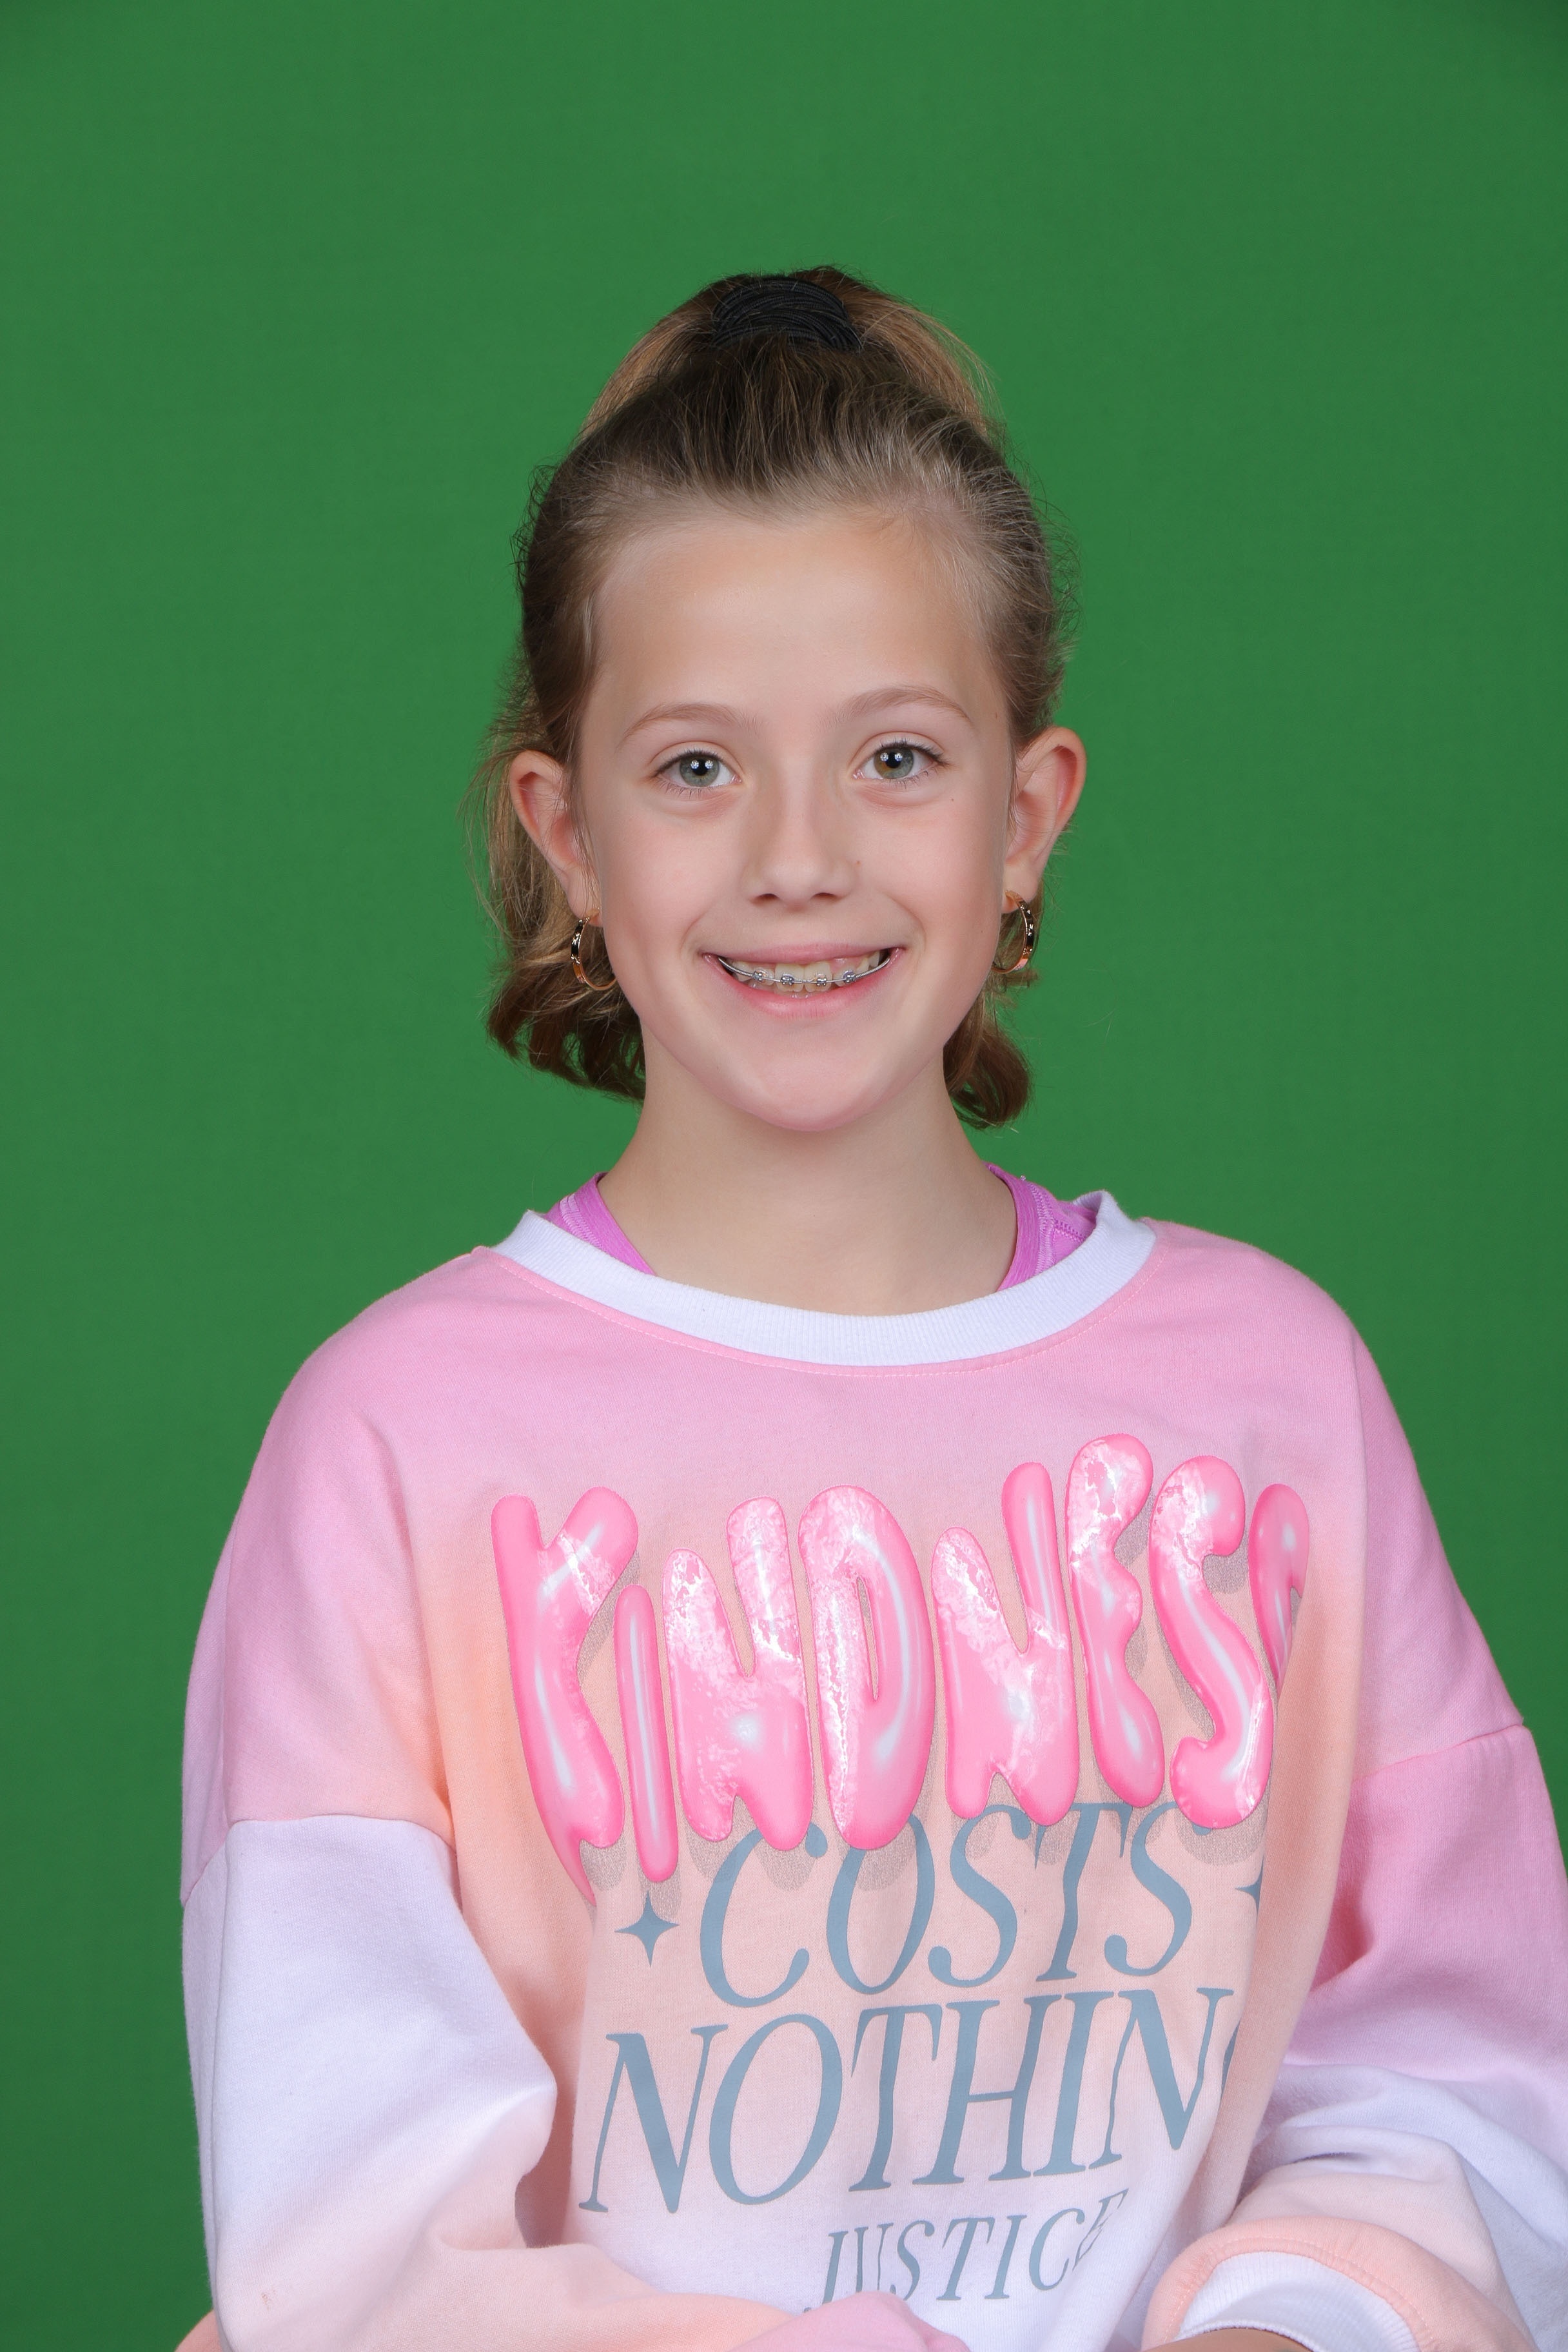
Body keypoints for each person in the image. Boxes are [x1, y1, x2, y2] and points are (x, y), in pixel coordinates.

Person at [177, 268, 1568, 2352]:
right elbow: (363, 2241)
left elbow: (1458, 2070)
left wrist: (1301, 2321)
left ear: (1027, 816)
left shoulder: (1275, 1393)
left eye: (898, 756)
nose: (801, 858)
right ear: (567, 836)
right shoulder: (390, 1445)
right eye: (696, 768)